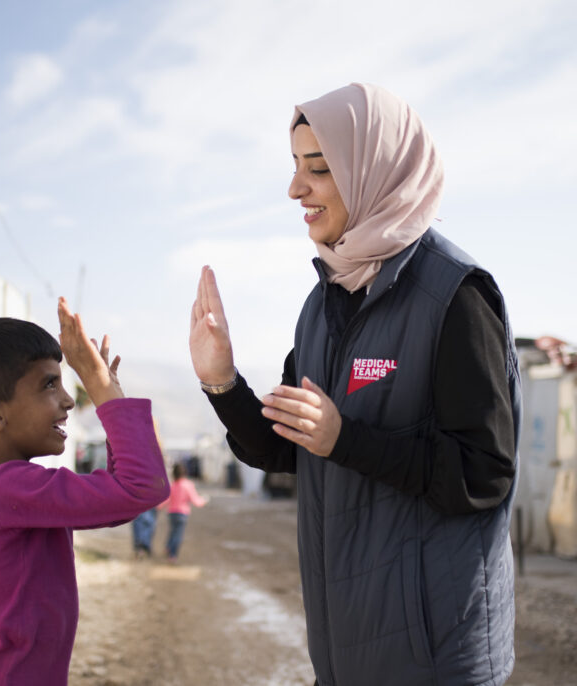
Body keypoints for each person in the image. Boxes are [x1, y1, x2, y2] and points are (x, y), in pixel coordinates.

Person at [189, 83, 520, 686]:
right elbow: (284, 447)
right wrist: (223, 383)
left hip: (435, 660)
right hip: (343, 654)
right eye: (294, 167)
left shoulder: (454, 296)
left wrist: (347, 440)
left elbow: (483, 474)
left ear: (376, 171)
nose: (296, 189)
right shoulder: (323, 304)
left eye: (319, 168)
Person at [0, 298, 170, 686]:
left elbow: (121, 501)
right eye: (49, 384)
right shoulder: (4, 489)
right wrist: (101, 388)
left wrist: (110, 393)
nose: (70, 400)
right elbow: (142, 487)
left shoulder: (8, 488)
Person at [158, 462, 209, 563]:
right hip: (182, 514)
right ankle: (172, 555)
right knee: (178, 535)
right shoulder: (188, 485)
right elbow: (196, 501)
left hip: (172, 513)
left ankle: (168, 548)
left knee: (173, 531)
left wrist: (158, 506)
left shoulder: (172, 485)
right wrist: (204, 500)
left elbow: (167, 499)